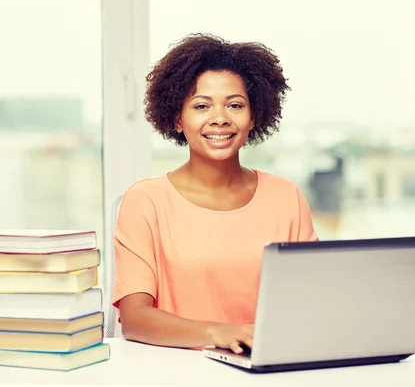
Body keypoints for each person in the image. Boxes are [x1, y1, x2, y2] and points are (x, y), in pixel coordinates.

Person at [112, 33, 318, 354]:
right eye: (202, 105)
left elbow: (310, 301)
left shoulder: (285, 197)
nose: (220, 118)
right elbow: (134, 318)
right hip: (174, 370)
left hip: (264, 368)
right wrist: (217, 332)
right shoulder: (146, 201)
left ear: (253, 117)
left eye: (234, 105)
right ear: (178, 118)